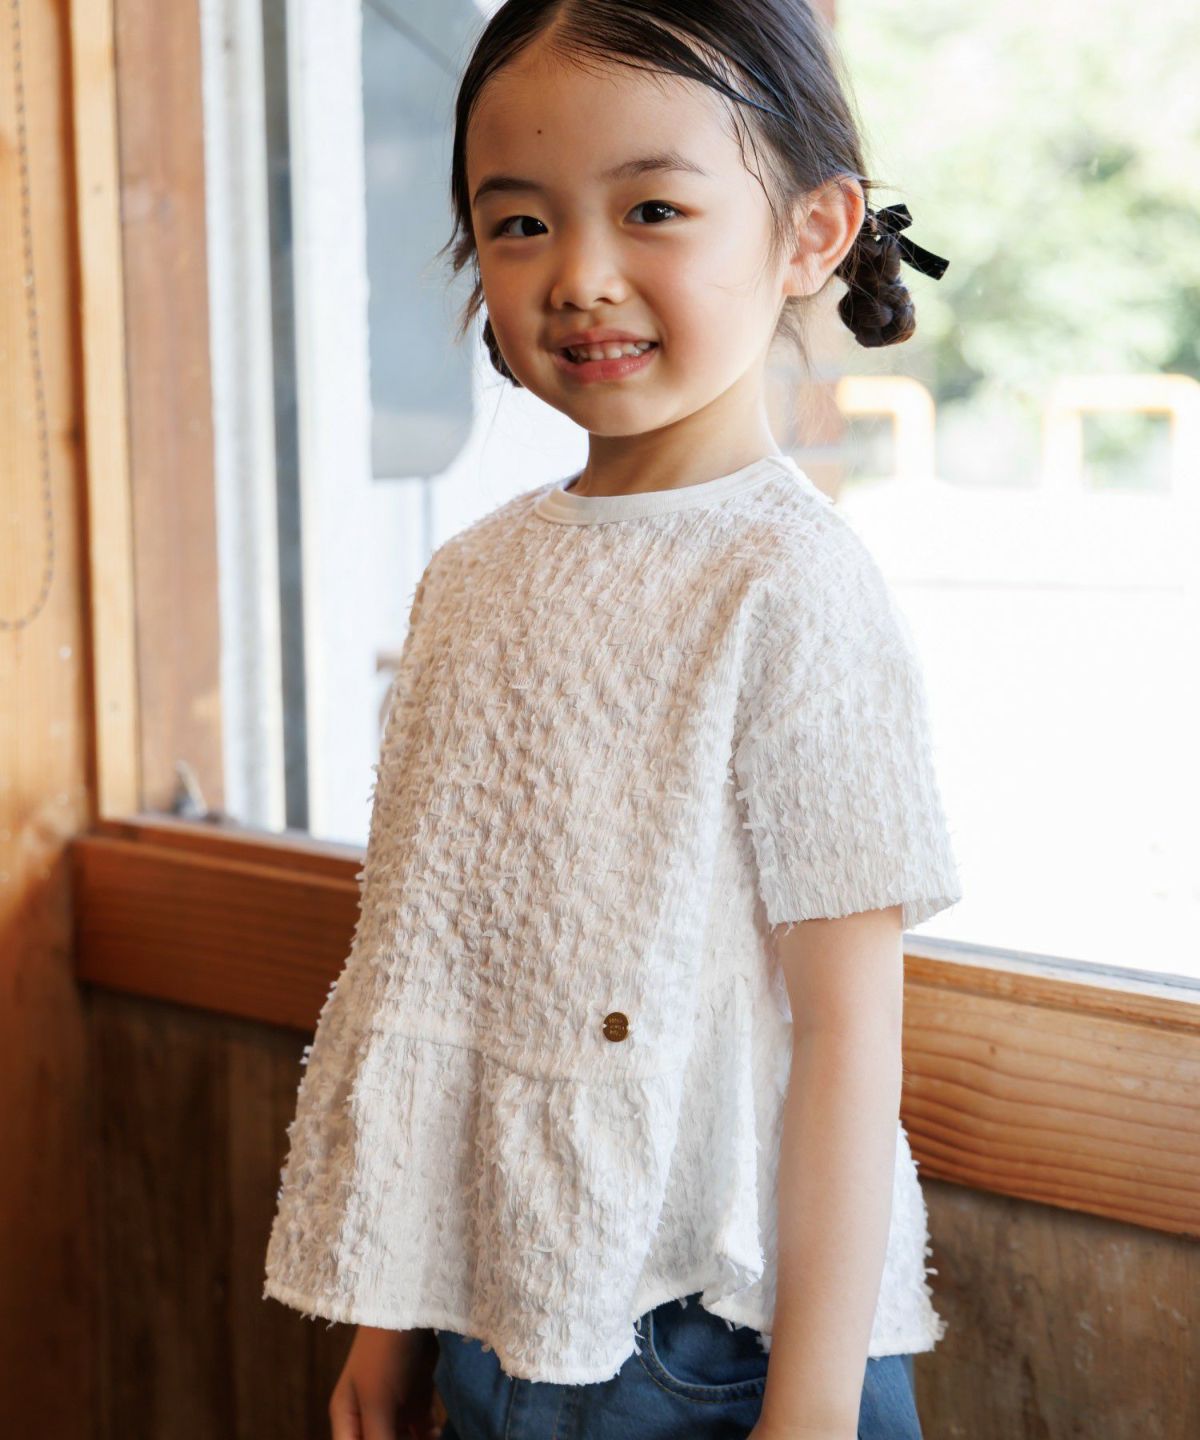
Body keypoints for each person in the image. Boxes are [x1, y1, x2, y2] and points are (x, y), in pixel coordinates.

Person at [262, 2, 963, 1437]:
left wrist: (811, 1411)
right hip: (494, 1304)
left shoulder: (791, 584)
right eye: (519, 224)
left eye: (652, 208)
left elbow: (846, 1042)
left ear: (813, 233)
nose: (580, 277)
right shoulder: (471, 578)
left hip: (730, 1338)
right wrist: (394, 1321)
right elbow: (435, 972)